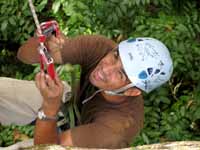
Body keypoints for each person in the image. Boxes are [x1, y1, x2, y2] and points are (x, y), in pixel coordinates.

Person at [0, 33, 173, 148]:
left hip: (82, 141)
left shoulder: (115, 130)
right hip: (67, 104)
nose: (106, 69)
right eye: (115, 56)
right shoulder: (100, 48)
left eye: (120, 74)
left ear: (132, 91)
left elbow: (45, 148)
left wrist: (49, 107)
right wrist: (45, 44)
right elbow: (23, 55)